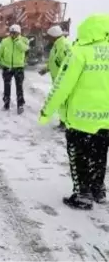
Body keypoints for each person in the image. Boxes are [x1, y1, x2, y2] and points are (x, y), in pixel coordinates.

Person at [38, 14, 109, 210]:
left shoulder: (79, 52)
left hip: (80, 119)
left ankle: (82, 195)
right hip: (105, 120)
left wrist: (46, 111)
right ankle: (98, 190)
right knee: (99, 155)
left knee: (79, 156)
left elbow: (62, 86)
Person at [0, 24, 31, 114]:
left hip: (19, 68)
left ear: (19, 33)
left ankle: (20, 105)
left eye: (15, 33)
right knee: (7, 86)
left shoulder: (24, 40)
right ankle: (6, 104)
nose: (13, 35)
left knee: (19, 87)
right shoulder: (4, 41)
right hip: (7, 67)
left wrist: (17, 41)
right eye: (11, 33)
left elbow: (25, 49)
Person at [38, 25, 72, 130]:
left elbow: (70, 64)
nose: (47, 39)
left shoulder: (65, 46)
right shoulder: (56, 45)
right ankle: (63, 122)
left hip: (64, 81)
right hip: (58, 80)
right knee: (61, 102)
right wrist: (47, 68)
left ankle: (67, 123)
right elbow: (54, 61)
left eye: (49, 37)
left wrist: (65, 79)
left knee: (65, 102)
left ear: (54, 36)